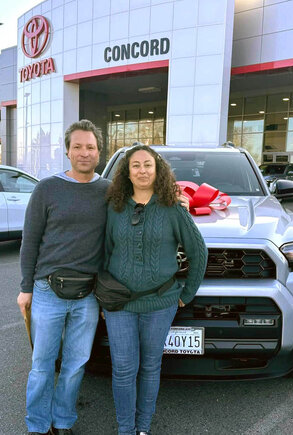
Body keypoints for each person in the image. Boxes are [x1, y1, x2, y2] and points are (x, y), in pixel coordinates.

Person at [103, 145, 207, 435]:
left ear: (158, 169)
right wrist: (103, 296)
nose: (142, 171)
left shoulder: (173, 207)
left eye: (148, 165)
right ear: (127, 172)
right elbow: (104, 252)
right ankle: (126, 429)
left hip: (160, 303)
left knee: (150, 367)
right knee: (124, 369)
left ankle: (143, 428)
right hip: (120, 304)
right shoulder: (114, 207)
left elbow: (198, 251)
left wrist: (187, 294)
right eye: (135, 165)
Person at [18, 120, 110, 435]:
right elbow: (30, 241)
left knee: (75, 366)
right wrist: (25, 288)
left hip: (87, 295)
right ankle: (38, 425)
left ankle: (63, 421)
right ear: (68, 151)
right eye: (78, 147)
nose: (84, 153)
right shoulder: (47, 188)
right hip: (46, 291)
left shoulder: (108, 191)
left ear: (99, 152)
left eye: (91, 147)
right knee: (43, 366)